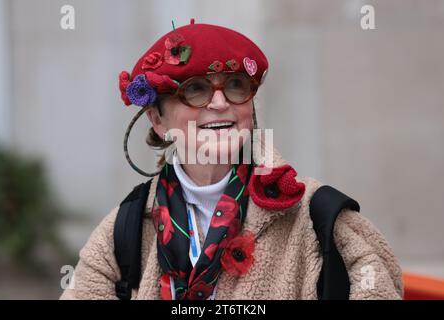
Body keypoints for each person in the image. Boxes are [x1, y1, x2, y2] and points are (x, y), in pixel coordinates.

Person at [60, 19, 403, 300]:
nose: (220, 102)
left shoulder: (318, 214)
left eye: (236, 85)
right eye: (195, 89)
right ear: (157, 120)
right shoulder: (128, 225)